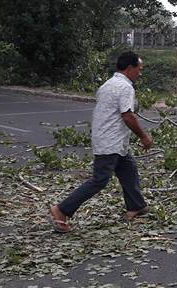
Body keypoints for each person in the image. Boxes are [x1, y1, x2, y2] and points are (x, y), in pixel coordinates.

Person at [49, 52, 153, 233]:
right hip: (110, 141)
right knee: (99, 180)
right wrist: (144, 136)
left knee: (129, 169)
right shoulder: (125, 88)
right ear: (129, 68)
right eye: (139, 69)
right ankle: (62, 209)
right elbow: (128, 116)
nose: (140, 73)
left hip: (109, 139)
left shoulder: (107, 85)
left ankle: (136, 205)